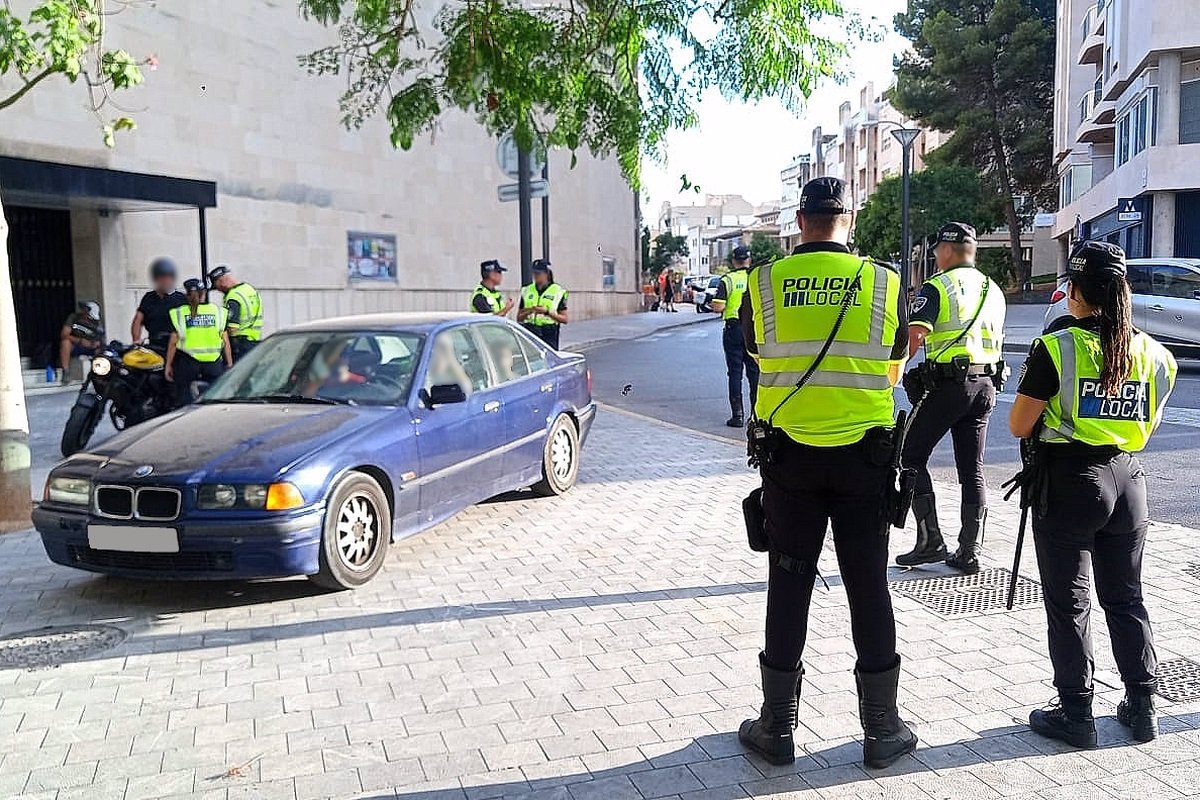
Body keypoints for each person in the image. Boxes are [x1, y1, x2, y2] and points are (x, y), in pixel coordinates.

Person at [737, 177, 916, 769]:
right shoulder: (886, 282)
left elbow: (758, 354)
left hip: (790, 460)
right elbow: (894, 364)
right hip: (865, 460)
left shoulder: (763, 283)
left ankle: (777, 728)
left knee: (788, 582)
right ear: (850, 217)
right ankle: (883, 730)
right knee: (868, 586)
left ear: (799, 219)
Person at [1010, 241, 1176, 749]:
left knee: (1070, 602)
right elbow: (1148, 418)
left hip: (1071, 483)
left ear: (1075, 292)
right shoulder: (1156, 353)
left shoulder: (1056, 347)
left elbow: (1019, 424)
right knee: (1126, 598)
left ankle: (1077, 714)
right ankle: (1142, 707)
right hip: (1129, 481)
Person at [896, 222, 1007, 574]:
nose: (934, 257)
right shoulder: (994, 289)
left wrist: (890, 375)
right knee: (971, 468)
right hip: (986, 387)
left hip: (948, 387)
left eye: (936, 251)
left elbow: (914, 338)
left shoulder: (938, 286)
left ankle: (930, 540)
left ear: (946, 250)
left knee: (908, 454)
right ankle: (969, 551)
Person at [710, 245, 760, 427]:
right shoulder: (756, 278)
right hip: (754, 330)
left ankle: (737, 416)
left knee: (735, 373)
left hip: (734, 329)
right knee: (755, 373)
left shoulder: (728, 280)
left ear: (733, 261)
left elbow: (718, 306)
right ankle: (756, 416)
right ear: (750, 260)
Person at [166, 278, 233, 407]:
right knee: (215, 399)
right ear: (204, 293)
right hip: (213, 364)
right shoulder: (218, 312)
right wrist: (229, 363)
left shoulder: (179, 313)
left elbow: (173, 342)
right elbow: (225, 341)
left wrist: (168, 365)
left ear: (186, 294)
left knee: (184, 400)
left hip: (188, 364)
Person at [206, 264, 263, 362]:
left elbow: (232, 328)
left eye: (217, 287)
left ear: (221, 282)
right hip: (255, 342)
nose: (219, 290)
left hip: (240, 345)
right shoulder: (249, 289)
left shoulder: (233, 297)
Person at [130, 257, 187, 350]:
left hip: (178, 345)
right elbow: (138, 320)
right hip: (155, 344)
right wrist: (136, 341)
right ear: (156, 279)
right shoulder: (149, 298)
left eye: (168, 277)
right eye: (162, 278)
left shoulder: (181, 299)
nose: (166, 281)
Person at [518, 259, 568, 349]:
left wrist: (547, 312)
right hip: (530, 332)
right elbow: (519, 317)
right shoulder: (527, 290)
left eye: (538, 273)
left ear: (546, 274)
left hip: (549, 334)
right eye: (534, 273)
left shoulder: (557, 291)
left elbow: (564, 319)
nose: (535, 276)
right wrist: (530, 311)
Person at [59, 301, 104, 384]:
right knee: (65, 342)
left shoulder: (97, 323)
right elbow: (64, 334)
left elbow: (99, 341)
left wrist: (92, 344)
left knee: (101, 351)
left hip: (90, 348)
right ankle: (65, 372)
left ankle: (100, 374)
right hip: (77, 345)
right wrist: (80, 340)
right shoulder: (73, 318)